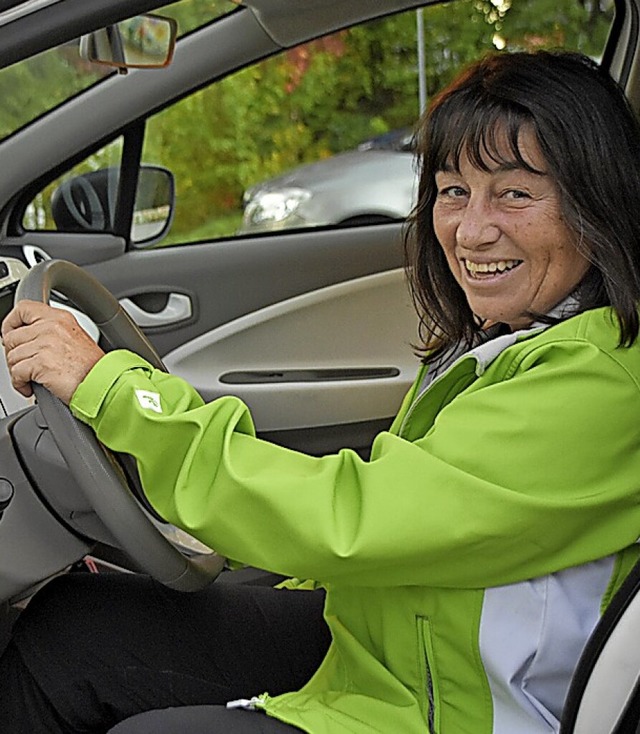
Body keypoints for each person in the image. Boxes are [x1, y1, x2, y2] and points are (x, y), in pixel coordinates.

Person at [1, 48, 640, 734]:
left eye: (514, 193)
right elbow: (400, 516)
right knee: (74, 629)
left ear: (594, 203)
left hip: (449, 711)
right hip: (392, 646)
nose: (471, 230)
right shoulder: (505, 342)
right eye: (453, 191)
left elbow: (349, 519)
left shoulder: (599, 383)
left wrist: (112, 390)